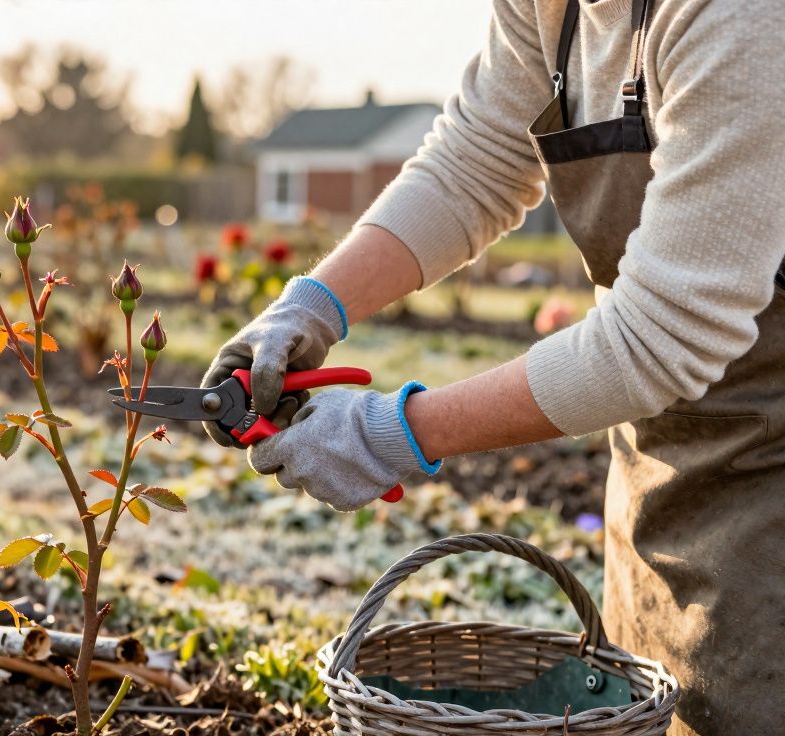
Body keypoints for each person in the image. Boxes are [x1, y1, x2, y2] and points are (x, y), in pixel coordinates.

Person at [203, 1, 785, 734]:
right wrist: (310, 306)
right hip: (657, 465)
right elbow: (475, 161)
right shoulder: (549, 8)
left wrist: (394, 433)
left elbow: (664, 334)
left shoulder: (738, 17)